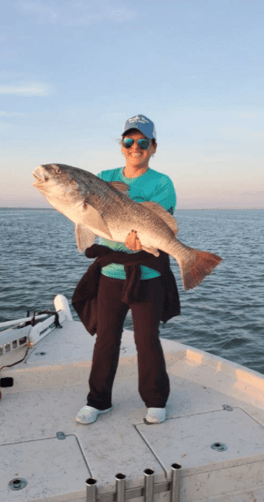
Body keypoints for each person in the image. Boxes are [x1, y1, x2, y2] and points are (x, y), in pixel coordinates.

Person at [75, 114, 177, 425]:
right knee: (105, 338)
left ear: (153, 147)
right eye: (129, 141)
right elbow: (87, 217)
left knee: (147, 339)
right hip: (110, 275)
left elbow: (162, 226)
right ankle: (98, 401)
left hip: (147, 273)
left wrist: (139, 240)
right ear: (122, 146)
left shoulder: (161, 183)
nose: (136, 147)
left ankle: (156, 400)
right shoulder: (103, 177)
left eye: (143, 142)